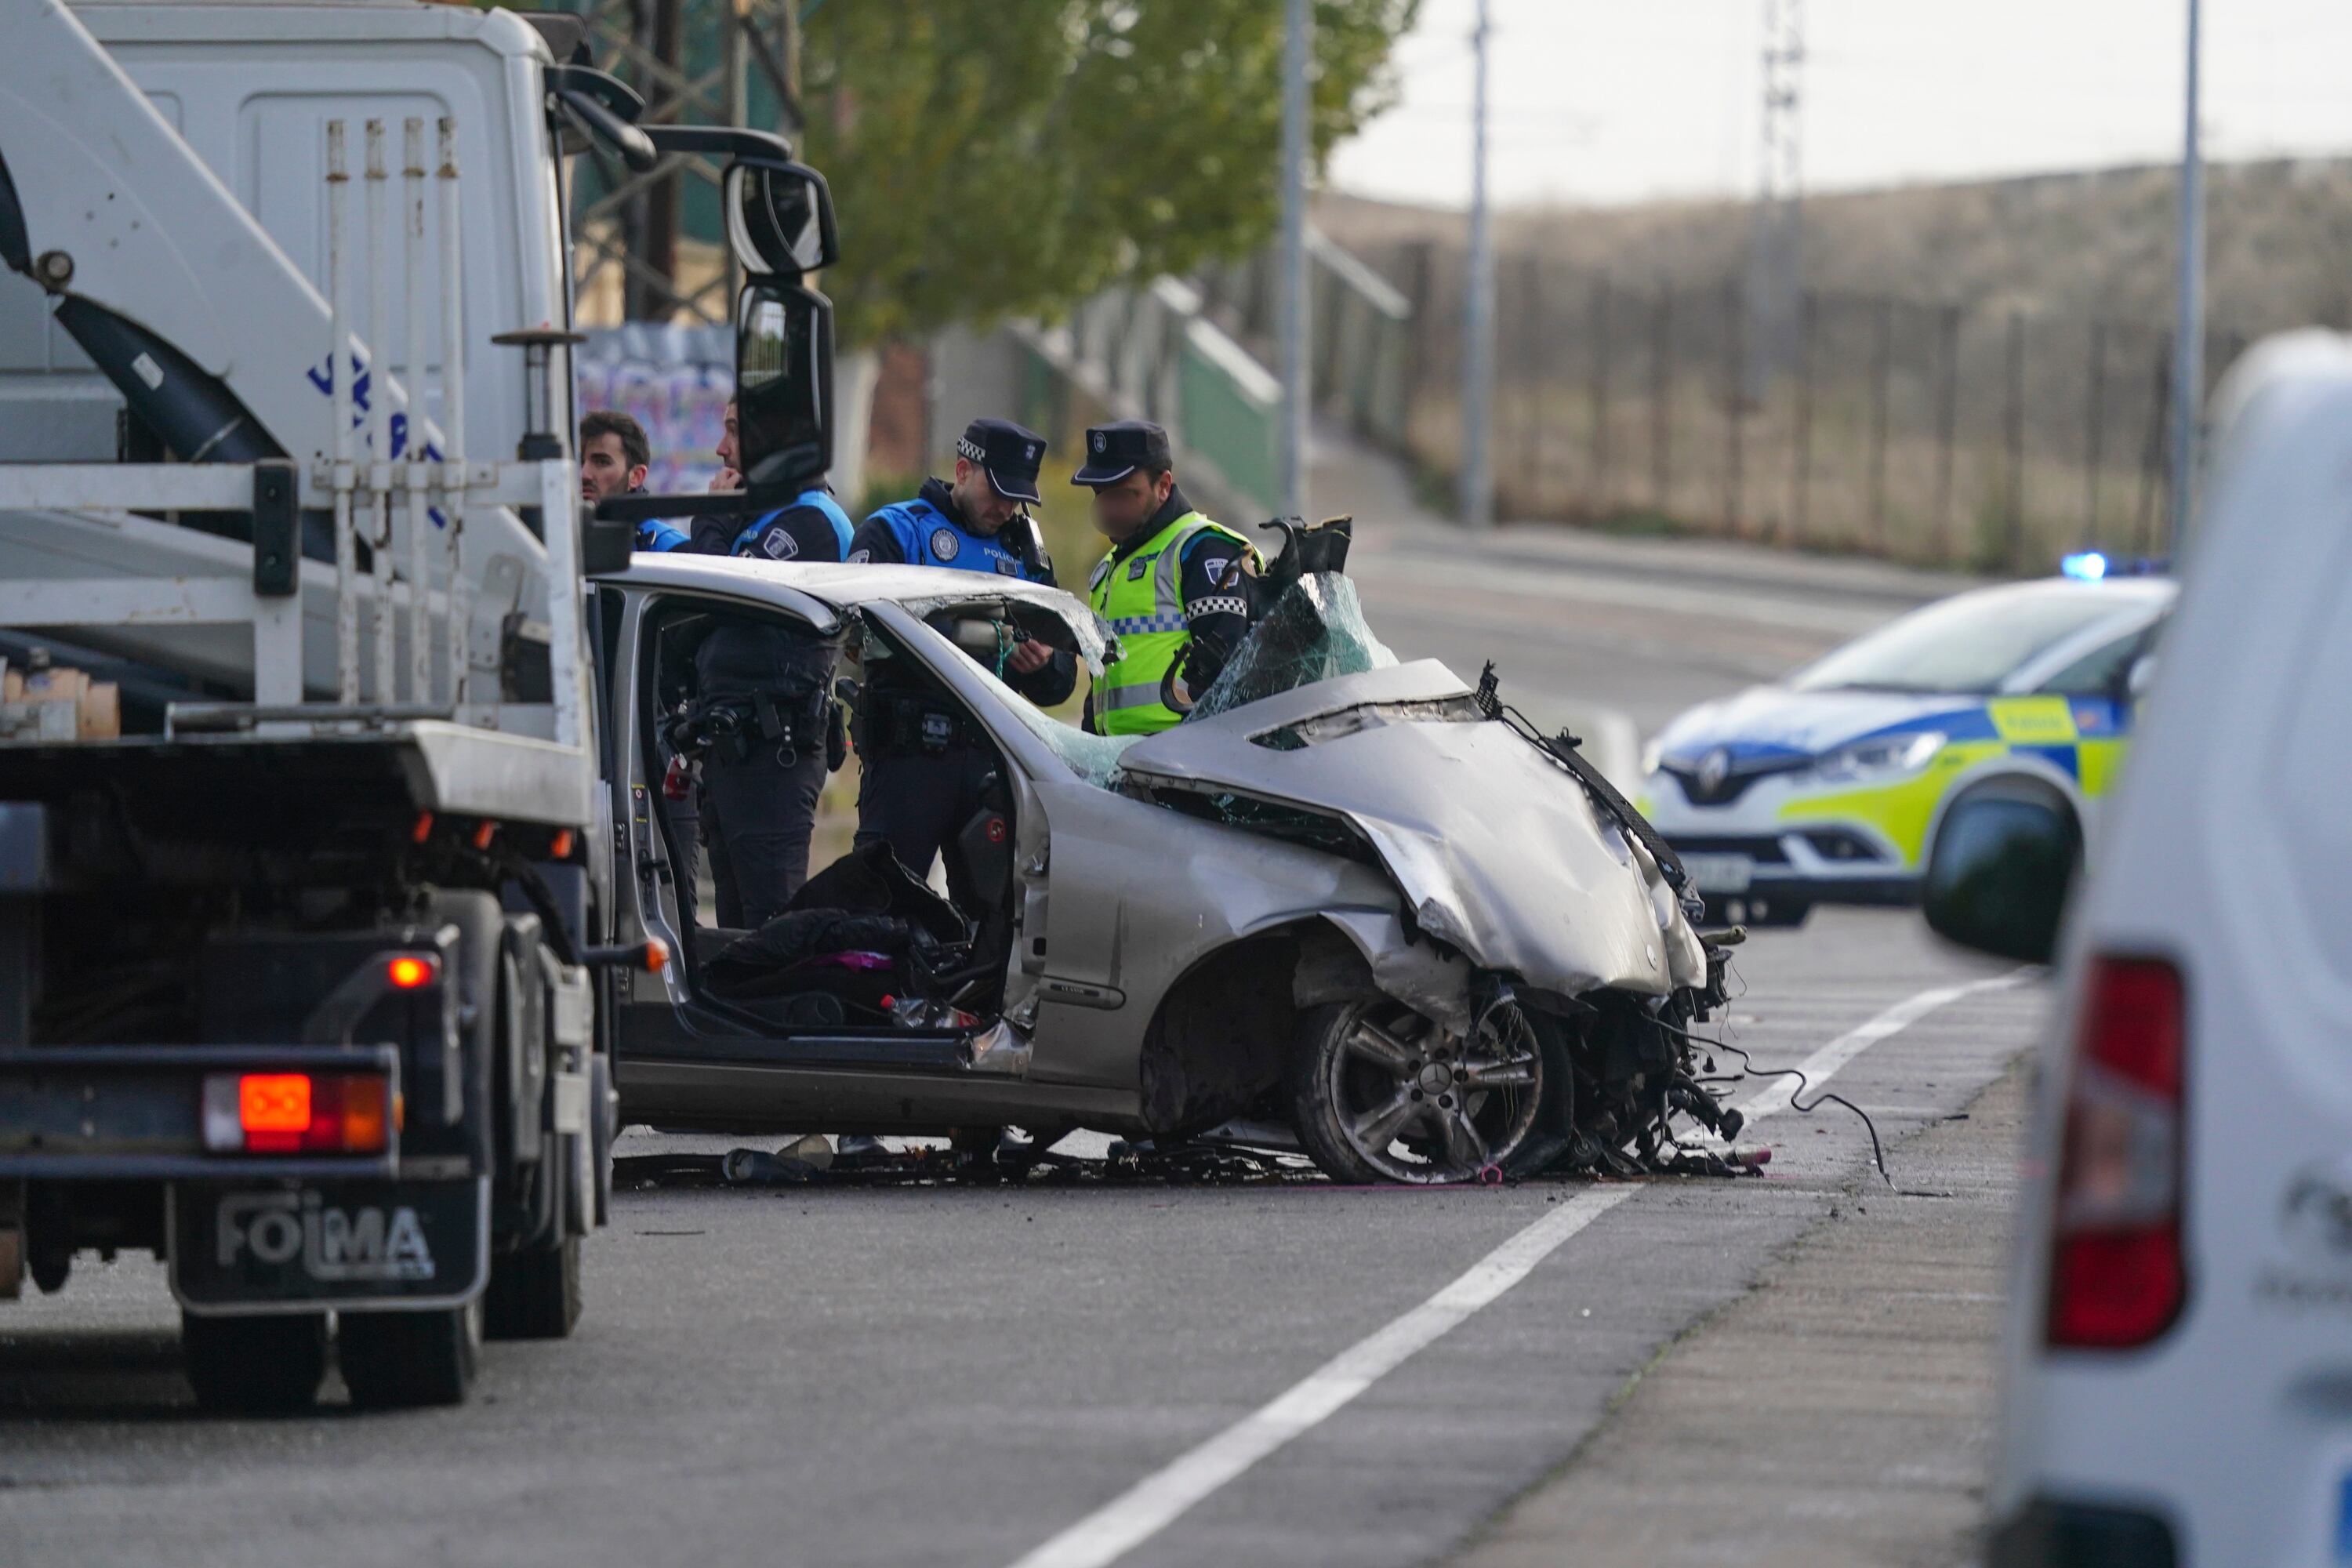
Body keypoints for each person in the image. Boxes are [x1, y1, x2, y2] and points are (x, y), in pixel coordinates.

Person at [848, 419, 1076, 904]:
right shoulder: (895, 530)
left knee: (993, 921)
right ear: (963, 470)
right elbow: (860, 636)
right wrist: (978, 637)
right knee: (882, 904)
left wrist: (1042, 665)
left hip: (991, 766)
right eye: (998, 493)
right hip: (908, 758)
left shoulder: (1026, 555)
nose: (1007, 509)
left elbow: (1060, 682)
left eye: (1018, 498)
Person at [674, 401, 855, 930]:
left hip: (775, 751)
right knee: (732, 929)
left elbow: (720, 595)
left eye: (734, 432)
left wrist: (711, 517)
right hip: (734, 748)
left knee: (772, 923)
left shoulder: (813, 520)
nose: (721, 450)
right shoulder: (758, 520)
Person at [1073, 419, 1258, 735]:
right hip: (1119, 762)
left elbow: (1228, 677)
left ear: (1164, 486)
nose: (1111, 509)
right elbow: (1102, 683)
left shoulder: (1202, 549)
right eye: (1102, 495)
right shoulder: (1108, 569)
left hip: (1182, 762)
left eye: (1124, 495)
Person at [579, 408, 688, 552]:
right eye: (578, 462)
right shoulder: (552, 542)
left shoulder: (671, 549)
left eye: (601, 462)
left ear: (636, 477)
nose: (584, 475)